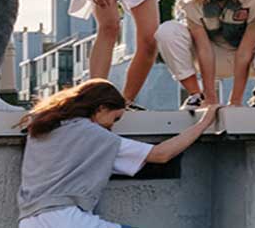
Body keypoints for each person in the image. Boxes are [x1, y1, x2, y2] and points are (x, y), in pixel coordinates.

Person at [17, 79, 220, 228]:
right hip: (65, 219)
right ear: (101, 108)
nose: (112, 127)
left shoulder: (43, 126)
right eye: (115, 118)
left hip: (28, 220)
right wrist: (203, 123)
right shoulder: (92, 134)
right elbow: (160, 155)